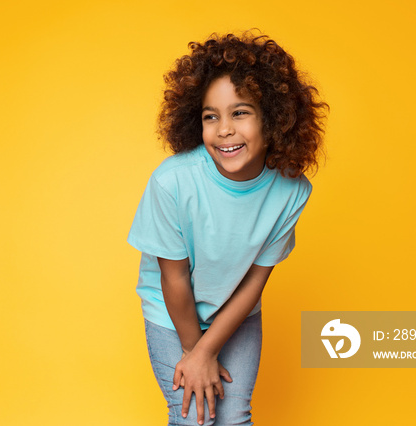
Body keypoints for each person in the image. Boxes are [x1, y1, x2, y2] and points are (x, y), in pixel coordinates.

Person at [127, 31, 327, 425]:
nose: (224, 130)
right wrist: (193, 351)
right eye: (210, 116)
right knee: (195, 418)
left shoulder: (292, 190)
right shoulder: (173, 182)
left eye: (240, 113)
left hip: (237, 311)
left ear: (272, 118)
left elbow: (256, 280)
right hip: (172, 313)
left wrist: (209, 350)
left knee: (233, 416)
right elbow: (174, 276)